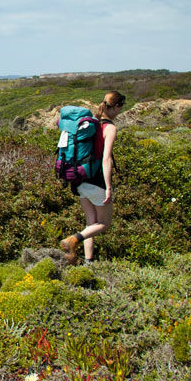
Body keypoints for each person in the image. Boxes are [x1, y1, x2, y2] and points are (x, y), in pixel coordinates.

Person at [59, 91, 124, 265]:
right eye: (121, 107)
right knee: (104, 224)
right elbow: (106, 159)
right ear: (115, 106)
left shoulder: (92, 124)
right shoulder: (110, 128)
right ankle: (73, 239)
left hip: (80, 179)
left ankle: (88, 261)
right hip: (96, 181)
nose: (121, 111)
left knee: (91, 223)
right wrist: (108, 186)